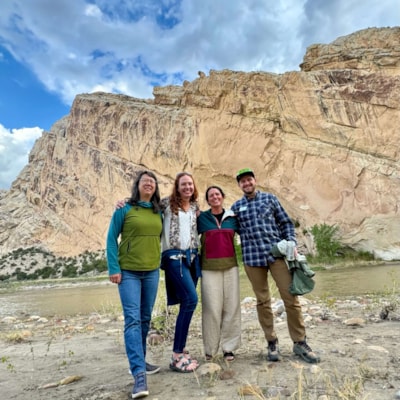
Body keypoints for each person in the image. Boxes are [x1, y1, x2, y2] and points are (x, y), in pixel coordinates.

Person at [231, 168, 320, 364]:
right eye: (242, 182)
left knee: (291, 298)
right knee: (262, 301)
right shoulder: (236, 207)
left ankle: (300, 342)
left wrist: (291, 243)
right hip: (252, 259)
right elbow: (228, 229)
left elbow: (285, 223)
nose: (246, 183)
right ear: (239, 185)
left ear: (255, 181)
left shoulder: (270, 200)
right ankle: (272, 341)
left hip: (277, 256)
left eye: (249, 180)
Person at [106, 170, 163, 399]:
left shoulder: (160, 211)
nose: (148, 183)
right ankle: (139, 374)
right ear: (137, 185)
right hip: (128, 271)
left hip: (151, 271)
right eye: (144, 181)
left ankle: (138, 360)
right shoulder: (124, 209)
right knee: (132, 319)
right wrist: (114, 268)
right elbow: (111, 238)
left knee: (145, 318)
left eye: (152, 181)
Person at [160, 172, 201, 373]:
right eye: (183, 184)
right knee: (191, 300)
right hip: (173, 257)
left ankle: (181, 349)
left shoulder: (195, 207)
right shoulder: (166, 204)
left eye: (190, 184)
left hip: (191, 258)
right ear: (177, 187)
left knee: (188, 302)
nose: (187, 187)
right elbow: (144, 206)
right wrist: (124, 202)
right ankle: (176, 355)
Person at [197, 186, 241, 362]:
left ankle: (229, 348)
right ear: (208, 200)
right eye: (211, 196)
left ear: (222, 197)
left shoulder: (233, 217)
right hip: (208, 268)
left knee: (232, 307)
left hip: (231, 266)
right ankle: (210, 349)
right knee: (211, 308)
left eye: (217, 194)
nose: (214, 197)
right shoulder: (201, 218)